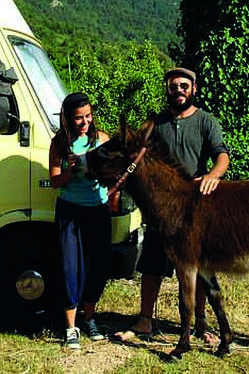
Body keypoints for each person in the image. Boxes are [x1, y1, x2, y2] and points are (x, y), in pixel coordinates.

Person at [114, 67, 230, 345]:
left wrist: (213, 176)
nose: (178, 90)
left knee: (199, 265)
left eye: (183, 86)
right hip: (161, 208)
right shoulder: (157, 123)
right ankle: (145, 320)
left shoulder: (206, 121)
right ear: (167, 89)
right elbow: (136, 153)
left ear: (194, 89)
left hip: (194, 207)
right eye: (173, 86)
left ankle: (200, 323)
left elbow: (222, 155)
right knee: (152, 263)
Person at [49, 92, 112, 350]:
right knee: (70, 267)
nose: (85, 122)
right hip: (70, 211)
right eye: (78, 118)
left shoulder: (103, 139)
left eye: (88, 116)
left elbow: (114, 174)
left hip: (98, 209)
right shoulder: (59, 144)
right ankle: (70, 327)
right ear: (67, 118)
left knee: (98, 266)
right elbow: (54, 181)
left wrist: (106, 182)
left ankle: (89, 319)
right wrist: (70, 172)